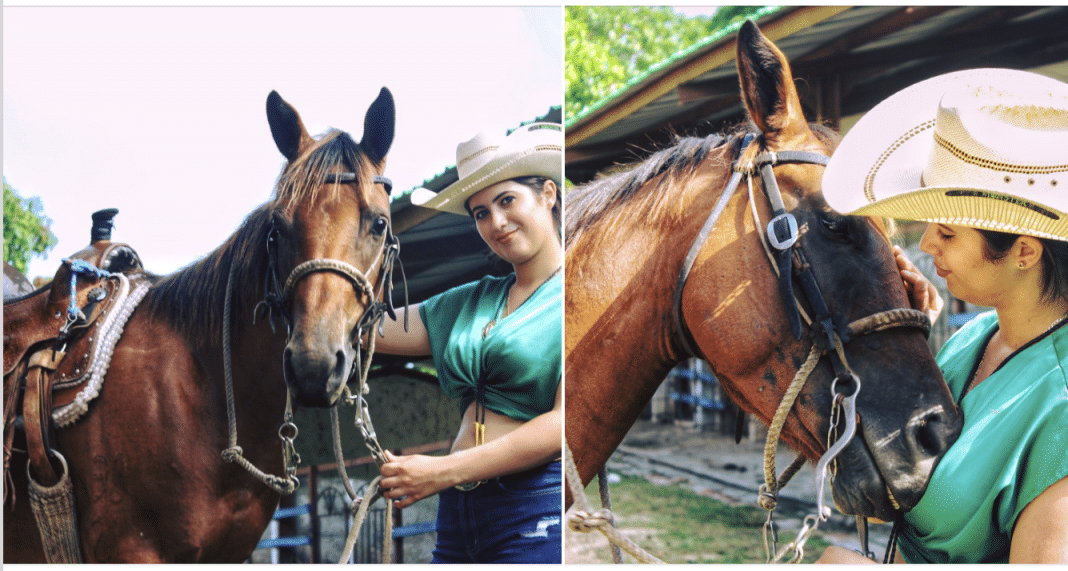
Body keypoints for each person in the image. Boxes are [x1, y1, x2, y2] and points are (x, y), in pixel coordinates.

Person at [817, 69, 1068, 563]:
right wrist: (903, 348)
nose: (927, 244)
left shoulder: (1060, 407)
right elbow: (887, 499)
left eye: (948, 233)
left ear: (1023, 251)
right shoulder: (970, 341)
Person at [374, 123, 564, 563]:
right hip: (457, 511)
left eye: (507, 200)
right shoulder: (472, 299)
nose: (495, 223)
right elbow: (366, 329)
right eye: (480, 212)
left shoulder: (579, 293)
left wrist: (440, 471)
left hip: (533, 505)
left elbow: (561, 425)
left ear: (548, 194)